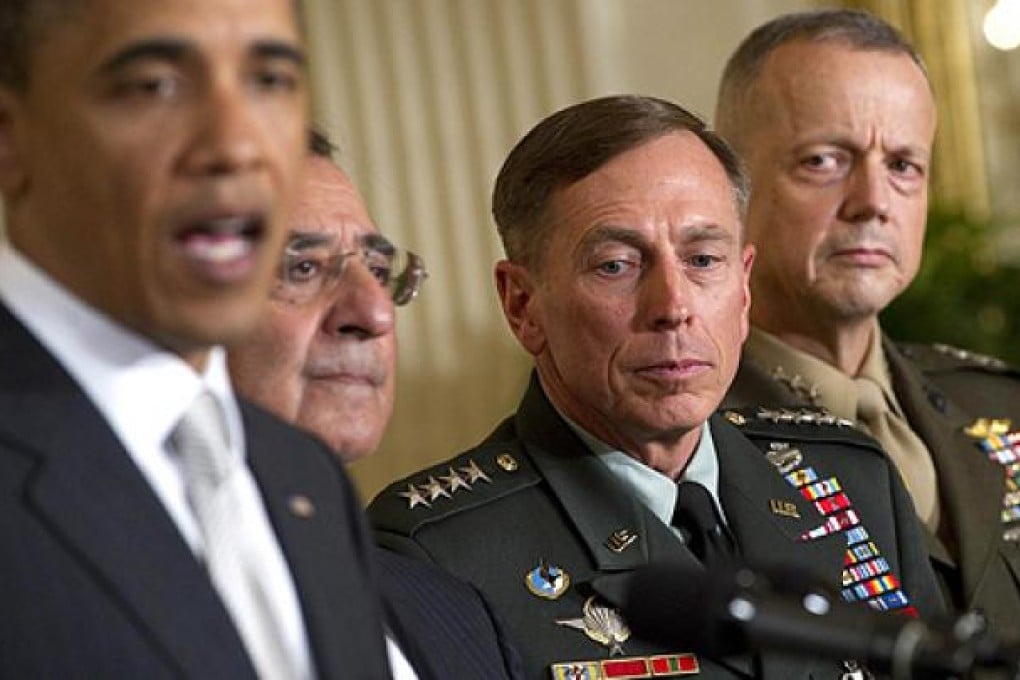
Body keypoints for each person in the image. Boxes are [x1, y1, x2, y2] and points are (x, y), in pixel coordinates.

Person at [368, 95, 943, 679]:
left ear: (743, 291)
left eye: (702, 259)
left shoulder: (853, 477)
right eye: (615, 265)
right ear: (523, 305)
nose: (673, 307)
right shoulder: (437, 553)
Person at [0, 1, 391, 677]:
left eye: (269, 81)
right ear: (10, 137)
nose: (237, 144)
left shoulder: (305, 478)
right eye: (154, 85)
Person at [715, 9, 1020, 636]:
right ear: (731, 185)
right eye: (824, 161)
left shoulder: (998, 404)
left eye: (904, 165)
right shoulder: (684, 442)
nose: (874, 202)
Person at [228, 129, 524, 680]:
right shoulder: (67, 585)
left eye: (380, 274)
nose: (375, 313)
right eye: (302, 268)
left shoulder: (458, 615)